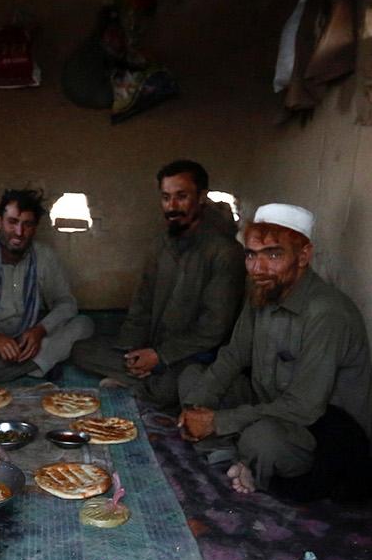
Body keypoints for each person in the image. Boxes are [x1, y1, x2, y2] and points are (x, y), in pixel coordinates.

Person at [177, 202, 372, 501]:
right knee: (193, 378)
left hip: (322, 430)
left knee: (262, 440)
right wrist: (194, 408)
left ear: (303, 255)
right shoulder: (264, 291)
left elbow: (304, 407)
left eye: (273, 254)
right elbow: (233, 356)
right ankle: (240, 457)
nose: (258, 269)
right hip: (269, 407)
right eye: (251, 255)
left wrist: (217, 422)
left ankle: (243, 455)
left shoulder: (327, 313)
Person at [70, 159, 246, 409]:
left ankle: (145, 385)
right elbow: (141, 306)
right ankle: (139, 378)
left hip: (192, 356)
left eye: (181, 197)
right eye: (166, 198)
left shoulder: (224, 252)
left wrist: (161, 357)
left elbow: (213, 330)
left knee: (176, 385)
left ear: (201, 197)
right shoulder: (160, 245)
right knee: (81, 351)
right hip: (152, 346)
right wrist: (132, 351)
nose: (172, 206)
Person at [0, 189, 94, 383]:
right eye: (12, 222)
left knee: (83, 324)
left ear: (35, 228)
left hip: (30, 341)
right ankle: (38, 365)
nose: (19, 232)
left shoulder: (44, 256)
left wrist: (40, 331)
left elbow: (66, 304)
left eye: (27, 224)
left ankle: (2, 373)